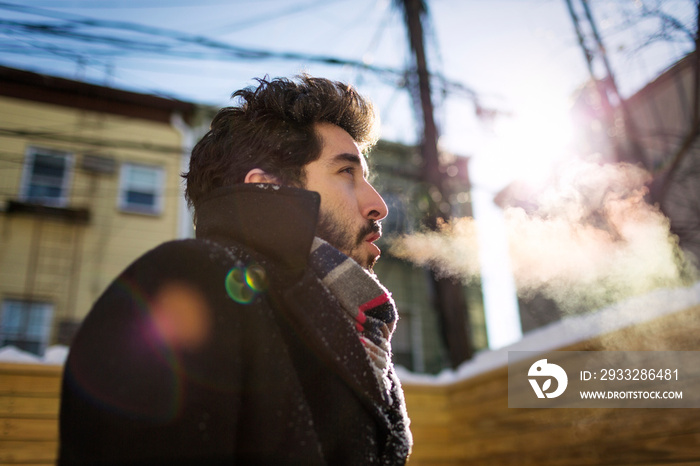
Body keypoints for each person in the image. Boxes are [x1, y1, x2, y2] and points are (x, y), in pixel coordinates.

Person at [59, 75, 412, 465]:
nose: (378, 204)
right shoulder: (190, 280)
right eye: (347, 172)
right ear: (267, 188)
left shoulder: (359, 329)